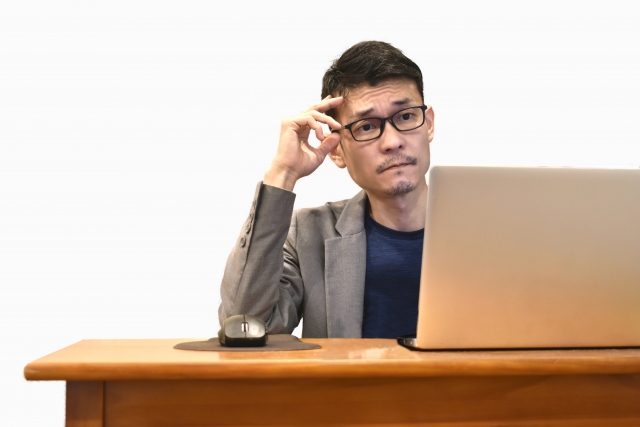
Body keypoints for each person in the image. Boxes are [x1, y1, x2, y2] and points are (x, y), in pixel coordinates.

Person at [218, 41, 435, 338]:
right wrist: (283, 173)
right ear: (336, 150)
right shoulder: (308, 234)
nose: (392, 141)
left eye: (406, 116)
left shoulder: (489, 228)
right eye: (367, 126)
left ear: (429, 124)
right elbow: (244, 324)